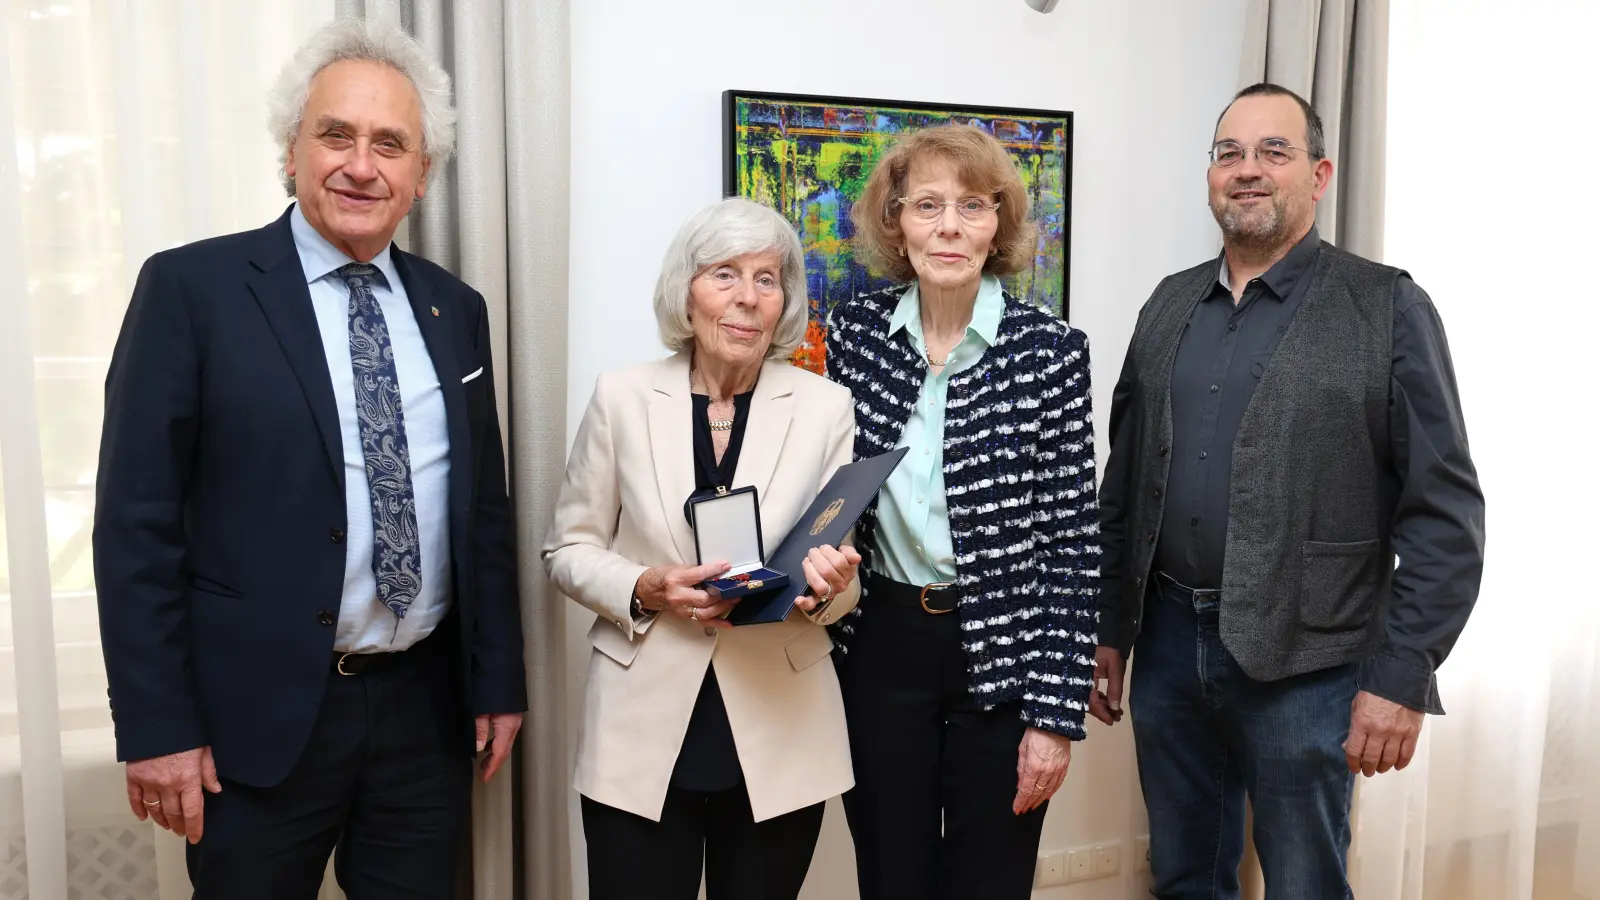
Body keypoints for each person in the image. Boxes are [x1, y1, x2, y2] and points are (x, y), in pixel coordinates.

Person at [91, 19, 526, 898]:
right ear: (290, 152)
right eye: (336, 135)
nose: (361, 165)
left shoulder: (455, 308)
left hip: (423, 718)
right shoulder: (191, 291)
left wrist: (497, 682)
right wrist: (157, 727)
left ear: (421, 178)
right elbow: (135, 529)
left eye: (389, 145)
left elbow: (481, 513)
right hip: (255, 724)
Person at [1093, 82, 1486, 898]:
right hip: (1166, 649)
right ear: (1210, 176)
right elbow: (1124, 489)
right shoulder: (1168, 305)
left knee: (1306, 884)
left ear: (1320, 174)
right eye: (1229, 153)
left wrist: (1401, 674)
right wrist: (1110, 630)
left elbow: (1446, 516)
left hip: (1313, 665)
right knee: (1182, 876)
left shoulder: (1389, 307)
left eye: (1274, 151)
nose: (1248, 170)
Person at [542, 197, 862, 900]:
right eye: (724, 274)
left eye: (768, 279)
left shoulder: (824, 408)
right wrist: (643, 586)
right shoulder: (621, 397)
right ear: (686, 291)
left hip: (781, 725)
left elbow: (841, 583)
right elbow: (567, 547)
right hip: (642, 724)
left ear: (786, 302)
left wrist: (832, 586)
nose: (747, 298)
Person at [824, 123, 1101, 899]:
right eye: (928, 205)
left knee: (990, 880)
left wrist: (1053, 716)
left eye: (973, 206)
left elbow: (1073, 546)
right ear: (897, 224)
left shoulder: (1051, 352)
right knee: (890, 873)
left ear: (998, 226)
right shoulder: (855, 336)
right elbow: (830, 489)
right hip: (880, 644)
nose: (949, 225)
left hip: (1003, 653)